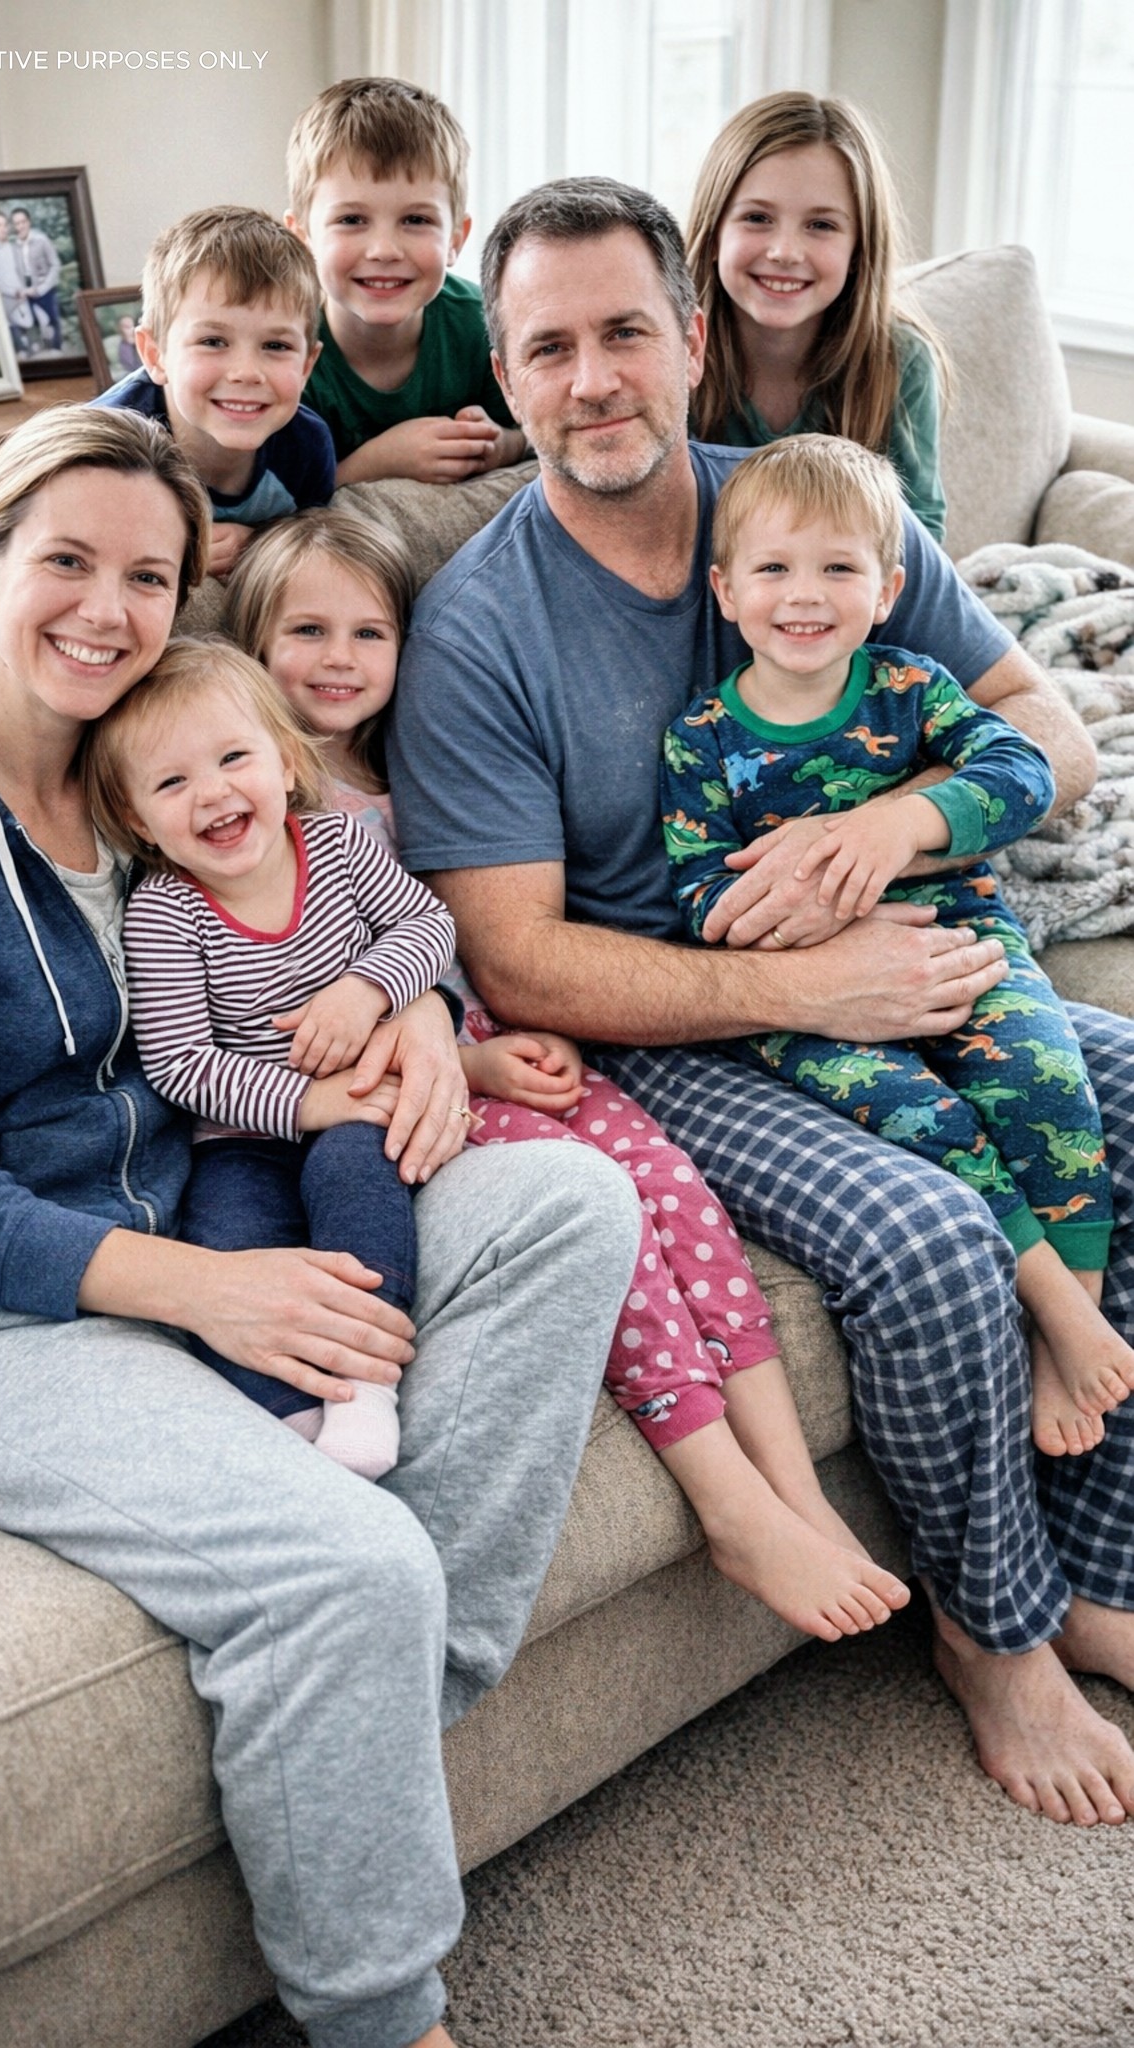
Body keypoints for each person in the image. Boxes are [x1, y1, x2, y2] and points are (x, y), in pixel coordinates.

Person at [0, 402, 640, 2048]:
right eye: (69, 562)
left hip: (205, 1198)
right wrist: (209, 1290)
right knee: (347, 1569)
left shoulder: (143, 761)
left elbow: (327, 909)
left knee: (566, 1204)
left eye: (148, 577)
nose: (106, 610)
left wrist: (415, 1015)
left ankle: (372, 1708)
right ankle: (386, 2014)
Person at [387, 173, 1134, 1830]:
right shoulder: (479, 632)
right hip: (666, 1034)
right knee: (929, 1231)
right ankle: (993, 1632)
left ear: (690, 334)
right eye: (548, 348)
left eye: (625, 332)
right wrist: (801, 984)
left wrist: (893, 828)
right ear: (505, 375)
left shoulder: (812, 516)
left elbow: (1052, 735)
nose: (593, 379)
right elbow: (518, 963)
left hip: (909, 940)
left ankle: (1097, 1571)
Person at [226, 506, 910, 1640]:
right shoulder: (255, 805)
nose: (338, 659)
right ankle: (732, 1504)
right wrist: (461, 1051)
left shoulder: (414, 763)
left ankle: (799, 1493)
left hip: (484, 1033)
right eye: (306, 631)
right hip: (394, 1090)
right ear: (253, 644)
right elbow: (289, 1004)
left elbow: (451, 934)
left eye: (367, 633)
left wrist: (486, 1036)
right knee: (614, 1219)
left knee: (671, 1183)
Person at [662, 432, 1133, 1461]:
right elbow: (701, 898)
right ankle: (1050, 1293)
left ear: (886, 590)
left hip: (957, 933)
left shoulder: (913, 688)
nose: (805, 594)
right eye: (774, 568)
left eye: (838, 567)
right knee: (920, 1114)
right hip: (798, 987)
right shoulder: (700, 741)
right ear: (726, 591)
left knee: (1048, 1082)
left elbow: (1023, 770)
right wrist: (807, 916)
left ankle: (1069, 1326)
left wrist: (896, 826)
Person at [84, 637, 457, 1481]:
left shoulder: (340, 848)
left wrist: (366, 989)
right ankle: (287, 1415)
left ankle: (363, 1383)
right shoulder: (165, 913)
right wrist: (303, 1102)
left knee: (355, 1180)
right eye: (171, 783)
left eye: (233, 759)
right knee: (228, 1240)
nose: (212, 792)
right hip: (240, 1139)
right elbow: (180, 1064)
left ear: (286, 763)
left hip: (358, 1110)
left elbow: (429, 926)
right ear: (138, 821)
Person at [686, 91, 948, 542]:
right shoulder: (670, 349)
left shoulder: (900, 362)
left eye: (821, 225)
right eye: (757, 218)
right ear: (713, 234)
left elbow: (919, 534)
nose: (785, 251)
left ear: (859, 249)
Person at [285, 76, 526, 485]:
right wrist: (376, 462)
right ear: (303, 238)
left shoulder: (482, 325)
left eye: (416, 220)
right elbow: (275, 495)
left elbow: (539, 433)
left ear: (455, 240)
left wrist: (503, 445)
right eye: (351, 220)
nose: (384, 250)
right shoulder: (282, 346)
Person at [91, 205, 335, 580]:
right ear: (155, 354)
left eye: (276, 346)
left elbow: (311, 541)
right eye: (213, 341)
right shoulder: (104, 447)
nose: (246, 372)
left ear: (306, 365)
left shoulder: (307, 448)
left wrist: (257, 543)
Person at [9, 205, 64, 351]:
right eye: (17, 223)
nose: (20, 226)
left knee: (52, 319)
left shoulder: (42, 240)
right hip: (26, 289)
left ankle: (57, 349)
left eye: (23, 222)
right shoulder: (13, 246)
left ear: (29, 222)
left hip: (45, 288)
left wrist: (41, 288)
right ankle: (37, 350)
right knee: (30, 320)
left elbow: (55, 265)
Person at [0, 210, 35, 355]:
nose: (3, 229)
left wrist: (25, 289)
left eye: (5, 225)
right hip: (6, 297)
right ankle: (21, 350)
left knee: (28, 322)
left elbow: (23, 269)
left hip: (22, 293)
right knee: (12, 326)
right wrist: (11, 292)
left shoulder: (14, 245)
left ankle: (32, 348)